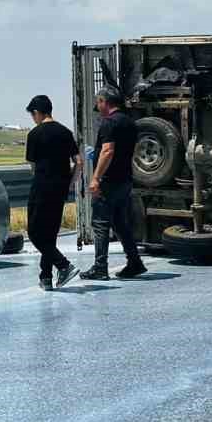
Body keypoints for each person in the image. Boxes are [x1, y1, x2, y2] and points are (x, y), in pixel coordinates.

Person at [80, 87, 147, 281]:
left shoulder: (109, 122)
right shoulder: (129, 123)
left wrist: (96, 178)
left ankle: (100, 267)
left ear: (105, 101)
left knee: (100, 223)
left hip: (108, 181)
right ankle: (135, 262)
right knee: (120, 223)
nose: (97, 106)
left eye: (98, 102)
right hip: (124, 179)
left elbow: (108, 151)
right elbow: (131, 151)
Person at [22, 95, 79, 291]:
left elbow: (32, 164)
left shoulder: (35, 134)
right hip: (60, 188)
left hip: (42, 187)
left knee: (35, 234)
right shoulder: (66, 132)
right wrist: (70, 183)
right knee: (50, 233)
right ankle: (45, 276)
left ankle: (63, 265)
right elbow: (78, 162)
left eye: (33, 115)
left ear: (37, 112)